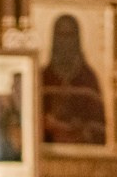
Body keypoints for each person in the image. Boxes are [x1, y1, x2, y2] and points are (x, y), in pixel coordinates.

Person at [41, 14, 106, 145]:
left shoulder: (88, 79)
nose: (65, 41)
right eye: (61, 35)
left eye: (69, 35)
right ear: (54, 39)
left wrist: (80, 128)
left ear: (76, 39)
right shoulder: (43, 77)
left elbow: (99, 127)